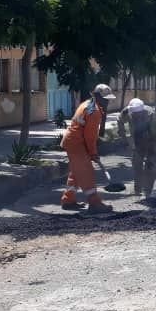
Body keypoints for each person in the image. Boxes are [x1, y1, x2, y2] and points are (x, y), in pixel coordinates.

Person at [60, 84, 116, 214]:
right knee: (86, 172)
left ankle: (68, 200)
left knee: (76, 172)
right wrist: (93, 153)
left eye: (108, 99)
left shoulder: (87, 104)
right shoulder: (94, 112)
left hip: (72, 141)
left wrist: (91, 152)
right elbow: (90, 137)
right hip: (76, 143)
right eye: (105, 99)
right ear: (97, 96)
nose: (107, 102)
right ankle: (94, 203)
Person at [118, 98, 156, 198]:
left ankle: (148, 191)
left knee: (150, 167)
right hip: (136, 141)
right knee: (137, 166)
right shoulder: (127, 112)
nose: (135, 116)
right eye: (134, 114)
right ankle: (137, 190)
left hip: (150, 140)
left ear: (142, 111)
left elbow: (155, 135)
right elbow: (120, 121)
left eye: (138, 114)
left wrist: (153, 151)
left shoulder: (150, 114)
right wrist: (124, 139)